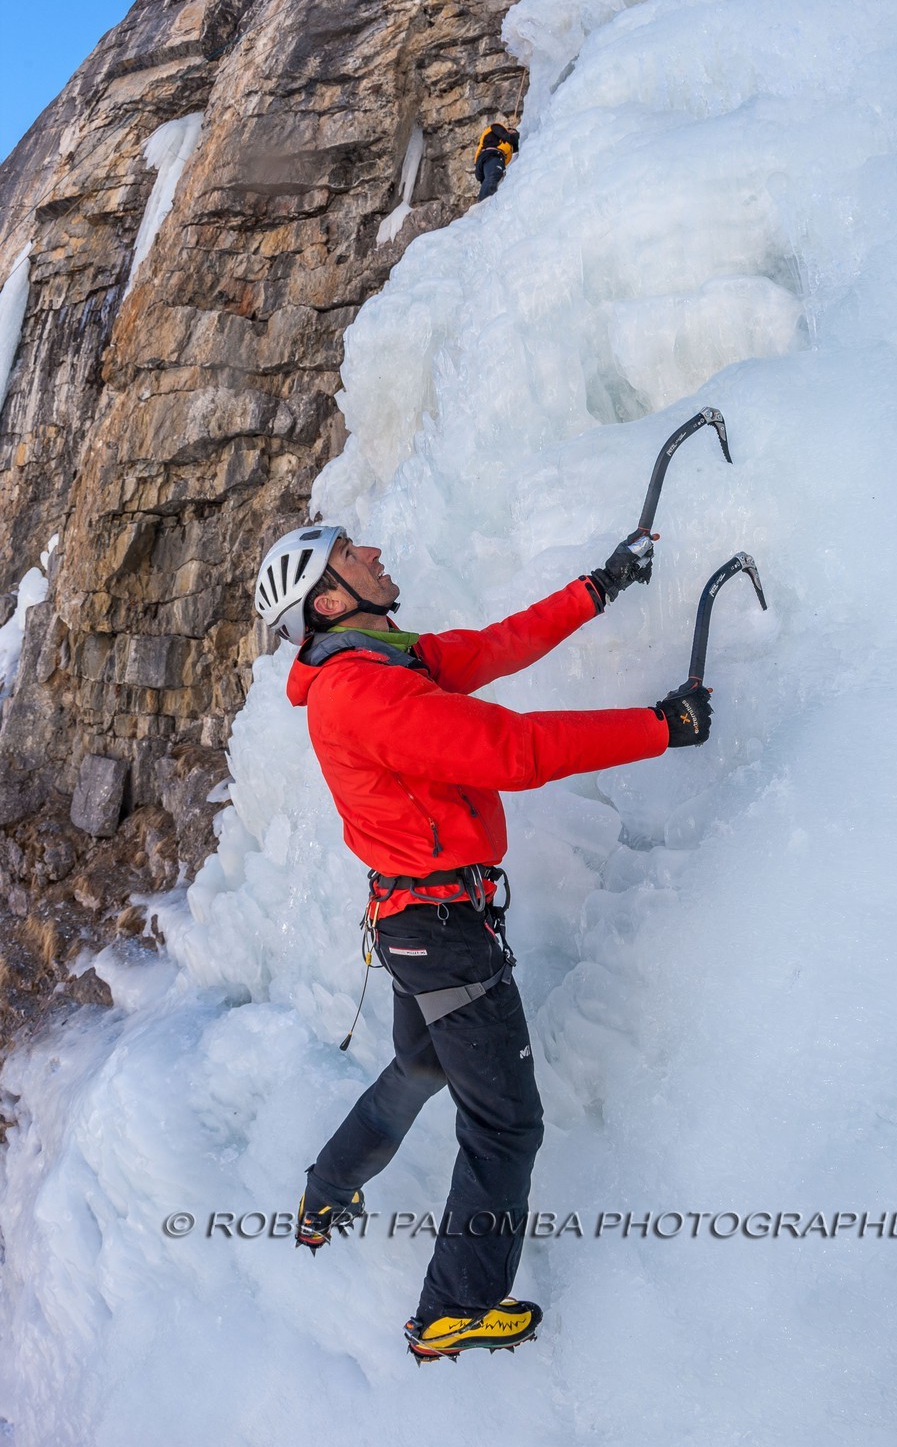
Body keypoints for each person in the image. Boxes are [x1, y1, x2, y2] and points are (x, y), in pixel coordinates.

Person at [254, 525, 712, 1362]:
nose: (377, 553)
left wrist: (595, 588)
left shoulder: (382, 662)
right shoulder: (359, 691)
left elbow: (493, 648)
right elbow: (509, 750)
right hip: (440, 933)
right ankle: (451, 1310)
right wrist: (658, 727)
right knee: (505, 1124)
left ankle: (323, 1192)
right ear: (327, 600)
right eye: (354, 554)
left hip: (416, 925)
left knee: (421, 1068)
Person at [474, 121, 519, 200]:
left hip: (488, 162)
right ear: (507, 129)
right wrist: (515, 135)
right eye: (512, 131)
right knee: (494, 175)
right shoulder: (496, 127)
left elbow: (517, 145)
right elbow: (509, 137)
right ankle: (485, 204)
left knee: (495, 181)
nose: (513, 133)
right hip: (491, 156)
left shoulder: (508, 146)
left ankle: (485, 201)